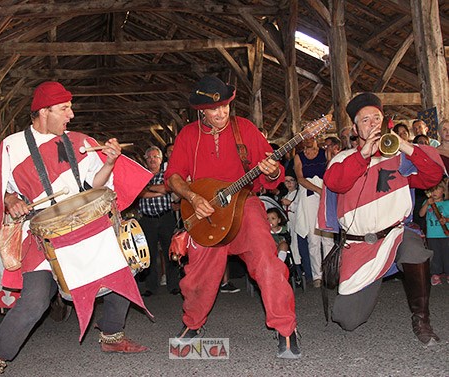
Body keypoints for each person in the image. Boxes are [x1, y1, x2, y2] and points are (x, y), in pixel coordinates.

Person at [0, 82, 149, 377]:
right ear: (44, 111)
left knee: (123, 270)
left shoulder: (79, 141)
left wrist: (111, 162)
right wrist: (10, 199)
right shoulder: (12, 146)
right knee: (36, 299)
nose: (71, 114)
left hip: (85, 228)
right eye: (65, 109)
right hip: (41, 233)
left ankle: (112, 337)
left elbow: (96, 184)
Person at [165, 76, 300, 359]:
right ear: (201, 110)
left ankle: (286, 327)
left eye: (225, 106)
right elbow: (174, 176)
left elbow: (273, 177)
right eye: (214, 109)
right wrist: (192, 197)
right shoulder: (189, 135)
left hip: (245, 205)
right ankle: (193, 324)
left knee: (266, 261)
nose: (221, 113)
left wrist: (273, 170)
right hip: (206, 211)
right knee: (199, 272)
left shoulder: (245, 129)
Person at [318, 92, 444, 346]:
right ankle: (371, 279)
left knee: (415, 250)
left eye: (377, 117)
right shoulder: (342, 159)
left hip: (396, 234)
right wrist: (363, 154)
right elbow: (336, 183)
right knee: (347, 319)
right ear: (355, 128)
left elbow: (433, 175)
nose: (373, 123)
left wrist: (404, 144)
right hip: (361, 245)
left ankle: (422, 320)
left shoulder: (399, 156)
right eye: (365, 120)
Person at [138, 145, 181, 296]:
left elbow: (167, 189)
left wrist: (148, 188)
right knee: (149, 254)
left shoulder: (167, 175)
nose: (152, 160)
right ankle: (151, 287)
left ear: (161, 159)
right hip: (147, 220)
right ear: (145, 160)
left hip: (165, 217)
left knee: (171, 252)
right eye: (149, 157)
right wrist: (157, 191)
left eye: (155, 157)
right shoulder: (140, 175)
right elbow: (140, 194)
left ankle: (173, 285)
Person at [293, 136, 334, 288]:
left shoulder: (324, 153)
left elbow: (331, 171)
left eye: (311, 137)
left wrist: (330, 157)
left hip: (326, 194)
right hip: (309, 195)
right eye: (306, 138)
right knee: (313, 237)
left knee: (328, 236)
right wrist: (318, 190)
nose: (309, 140)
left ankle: (330, 273)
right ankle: (317, 275)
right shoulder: (299, 156)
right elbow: (300, 178)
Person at [419, 178, 449, 286]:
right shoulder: (426, 203)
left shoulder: (447, 204)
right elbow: (421, 214)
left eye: (437, 189)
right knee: (434, 254)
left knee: (447, 254)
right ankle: (435, 274)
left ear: (444, 191)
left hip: (445, 234)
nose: (434, 192)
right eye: (432, 190)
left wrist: (446, 220)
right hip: (432, 235)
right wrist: (427, 204)